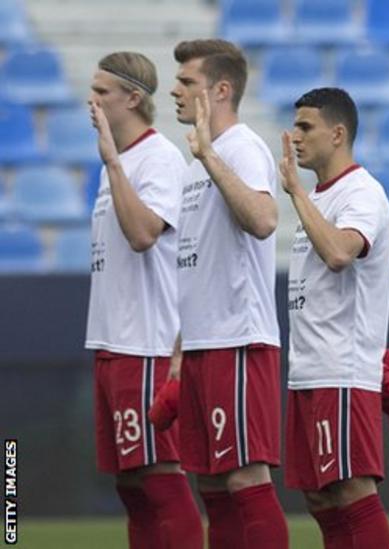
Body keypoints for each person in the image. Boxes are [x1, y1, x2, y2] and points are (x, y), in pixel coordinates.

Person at [168, 38, 287, 548]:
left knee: (244, 477)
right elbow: (196, 263)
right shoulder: (199, 161)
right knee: (212, 482)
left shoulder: (240, 148)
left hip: (237, 339)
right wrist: (179, 348)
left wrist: (210, 158)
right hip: (201, 343)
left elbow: (263, 220)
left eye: (187, 81)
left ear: (220, 90)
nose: (175, 90)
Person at [86, 50, 203, 549]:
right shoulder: (118, 162)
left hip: (148, 344)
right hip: (114, 339)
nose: (90, 101)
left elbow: (141, 234)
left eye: (102, 92)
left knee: (159, 474)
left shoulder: (156, 158)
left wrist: (113, 161)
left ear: (133, 98)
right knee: (131, 484)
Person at [280, 87, 389, 549]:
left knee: (350, 488)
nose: (295, 137)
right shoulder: (319, 195)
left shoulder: (361, 192)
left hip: (342, 369)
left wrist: (293, 193)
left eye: (306, 127)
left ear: (338, 132)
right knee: (320, 496)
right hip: (308, 369)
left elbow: (338, 253)